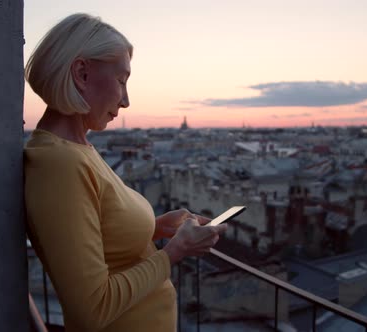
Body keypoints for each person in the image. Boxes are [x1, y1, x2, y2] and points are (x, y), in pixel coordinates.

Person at [23, 13, 227, 332]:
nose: (127, 100)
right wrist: (175, 252)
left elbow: (101, 235)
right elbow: (93, 308)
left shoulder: (76, 148)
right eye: (122, 80)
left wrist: (157, 228)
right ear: (82, 73)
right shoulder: (59, 164)